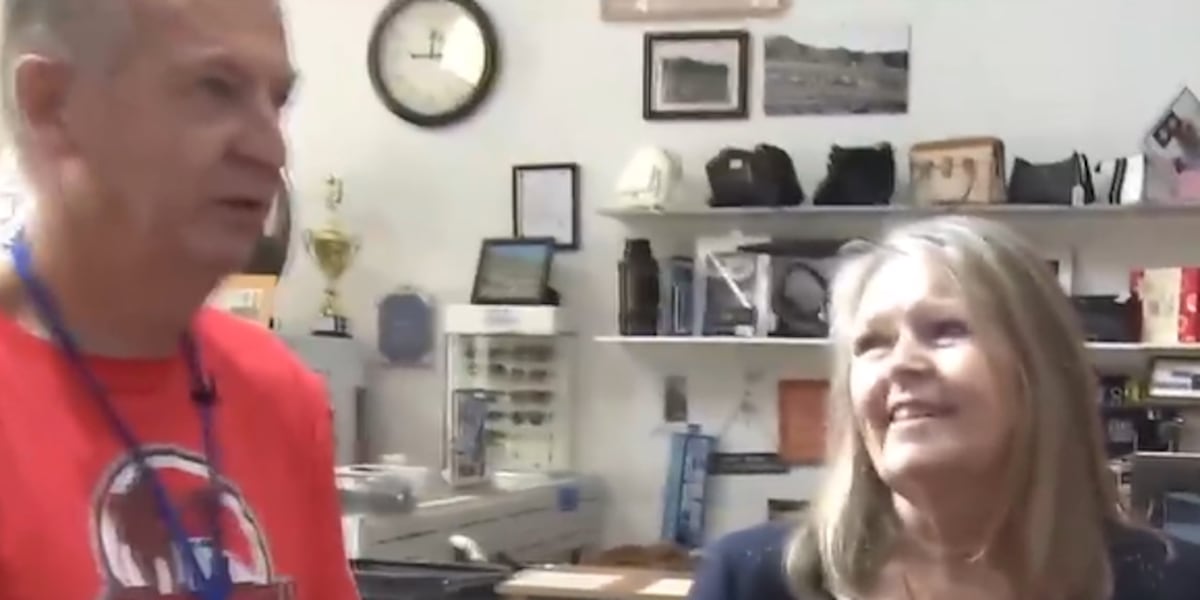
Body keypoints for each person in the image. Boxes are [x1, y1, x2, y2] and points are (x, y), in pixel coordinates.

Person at [0, 0, 360, 598]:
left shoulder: (281, 393)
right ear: (53, 105)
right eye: (215, 89)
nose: (271, 151)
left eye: (276, 102)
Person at [689, 216, 1200, 599]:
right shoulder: (749, 580)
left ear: (1040, 373)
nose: (901, 363)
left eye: (945, 330)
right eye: (872, 344)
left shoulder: (1172, 583)